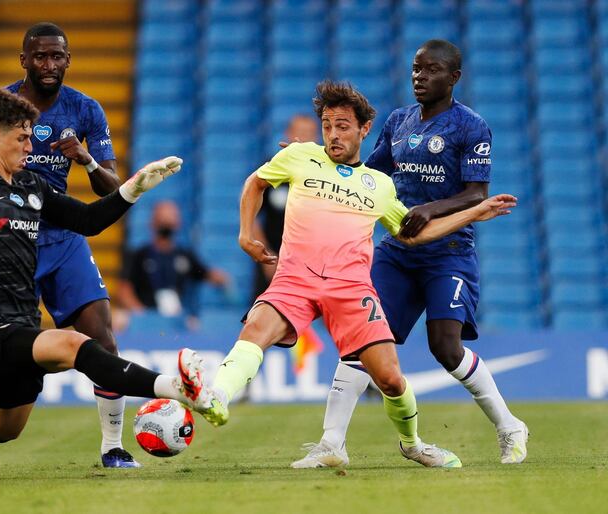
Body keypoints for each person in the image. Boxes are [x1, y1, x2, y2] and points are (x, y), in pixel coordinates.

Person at [178, 80, 517, 469]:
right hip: (295, 277)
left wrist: (475, 212)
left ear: (364, 130)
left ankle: (412, 443)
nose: (333, 134)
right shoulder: (301, 155)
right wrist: (245, 233)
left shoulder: (380, 185)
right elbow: (256, 182)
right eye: (327, 125)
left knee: (390, 380)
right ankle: (217, 397)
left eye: (342, 126)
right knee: (256, 327)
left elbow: (413, 235)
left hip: (352, 288)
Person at [0, 88, 209, 481]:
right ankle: (178, 388)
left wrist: (133, 189)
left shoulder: (31, 186)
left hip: (22, 324)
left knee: (1, 428)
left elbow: (88, 221)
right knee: (74, 343)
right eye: (23, 137)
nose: (31, 146)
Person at [293, 40, 529, 469]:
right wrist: (316, 165)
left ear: (454, 78)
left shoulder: (471, 127)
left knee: (445, 347)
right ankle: (330, 443)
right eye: (416, 69)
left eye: (432, 70)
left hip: (449, 251)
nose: (420, 77)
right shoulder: (400, 121)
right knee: (361, 340)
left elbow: (477, 193)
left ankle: (510, 426)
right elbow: (370, 174)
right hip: (398, 251)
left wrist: (429, 209)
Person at [0, 23, 138, 467]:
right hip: (9, 241)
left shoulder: (85, 110)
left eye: (57, 56)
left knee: (102, 340)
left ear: (68, 60)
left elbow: (109, 188)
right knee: (17, 355)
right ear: (23, 61)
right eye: (40, 57)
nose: (49, 65)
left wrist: (87, 159)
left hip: (63, 238)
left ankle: (112, 447)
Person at [116, 200, 228, 325]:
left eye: (170, 220)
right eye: (162, 220)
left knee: (196, 323)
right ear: (153, 222)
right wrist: (141, 313)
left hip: (176, 317)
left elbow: (205, 273)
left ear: (178, 223)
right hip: (146, 314)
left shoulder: (185, 256)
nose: (166, 225)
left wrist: (224, 282)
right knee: (119, 319)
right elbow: (124, 290)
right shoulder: (139, 255)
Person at [251, 114, 319, 299]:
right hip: (273, 259)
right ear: (288, 134)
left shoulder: (325, 176)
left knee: (307, 320)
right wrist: (268, 257)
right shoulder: (272, 169)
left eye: (309, 134)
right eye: (300, 133)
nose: (303, 139)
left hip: (310, 263)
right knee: (260, 318)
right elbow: (252, 217)